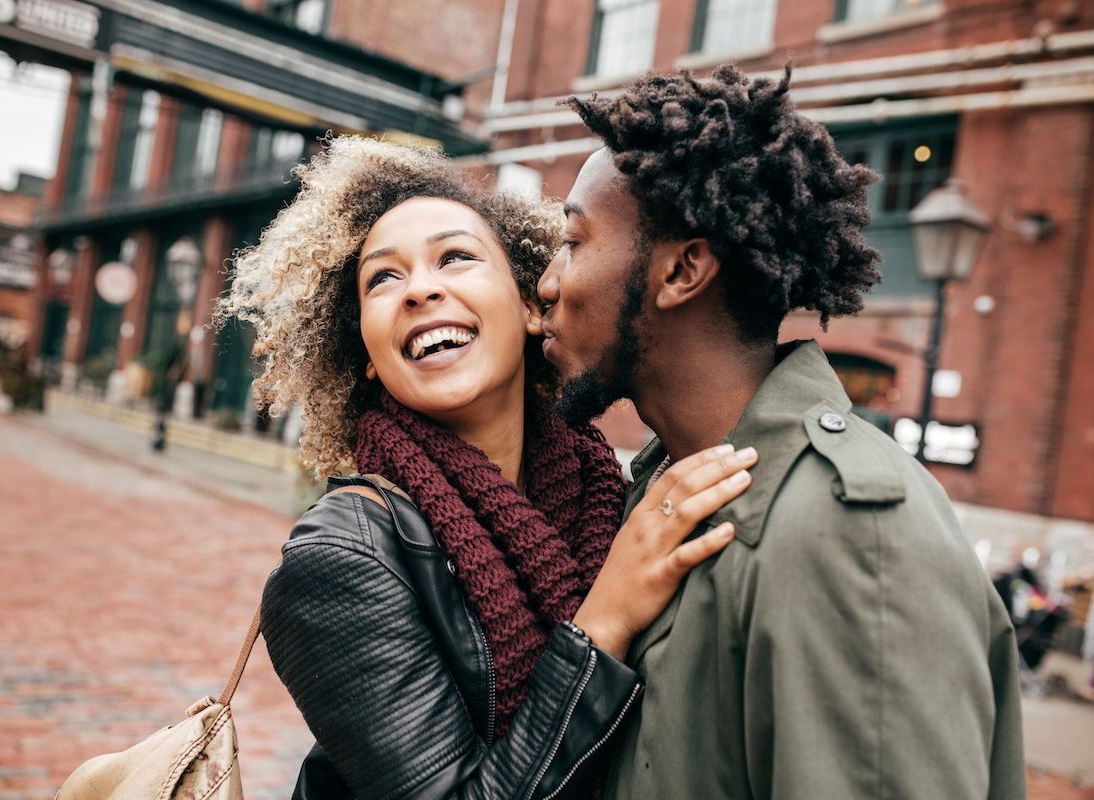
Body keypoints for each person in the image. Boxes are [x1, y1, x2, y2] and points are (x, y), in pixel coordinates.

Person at [218, 135, 759, 799]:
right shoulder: (339, 558)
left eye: (455, 257)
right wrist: (604, 621)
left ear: (531, 305)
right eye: (383, 278)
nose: (419, 289)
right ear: (363, 348)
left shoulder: (611, 497)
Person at [537, 65, 1026, 798]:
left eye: (573, 241)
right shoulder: (665, 487)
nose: (547, 280)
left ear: (684, 271)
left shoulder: (849, 531)